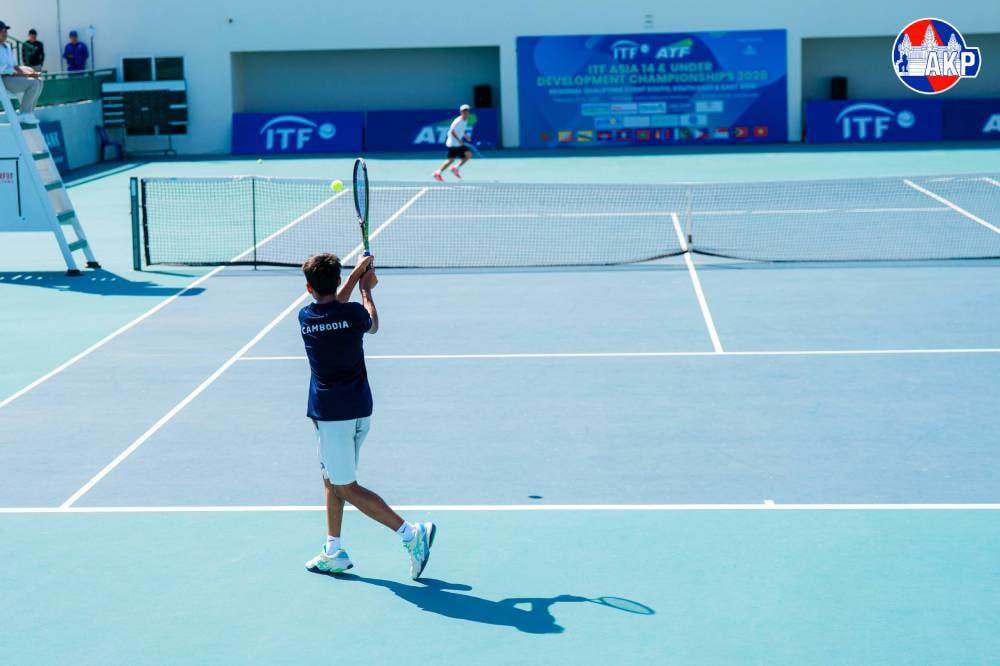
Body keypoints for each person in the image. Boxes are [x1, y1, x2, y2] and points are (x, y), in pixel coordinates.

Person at [299, 253, 436, 579]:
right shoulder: (353, 314)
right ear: (337, 281)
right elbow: (371, 323)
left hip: (332, 416)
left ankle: (411, 534)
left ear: (308, 288)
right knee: (331, 478)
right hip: (360, 409)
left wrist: (357, 278)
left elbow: (331, 306)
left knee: (345, 486)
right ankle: (333, 550)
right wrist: (366, 287)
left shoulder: (306, 317)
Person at [0, 21, 43, 125]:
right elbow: (5, 70)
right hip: (3, 80)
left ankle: (29, 113)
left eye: (6, 31)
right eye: (2, 31)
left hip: (12, 77)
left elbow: (15, 66)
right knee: (34, 83)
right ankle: (24, 113)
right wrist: (26, 74)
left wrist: (30, 72)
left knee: (39, 81)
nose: (5, 33)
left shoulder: (7, 46)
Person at [432, 104, 473, 181]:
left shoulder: (465, 120)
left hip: (458, 144)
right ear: (461, 112)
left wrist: (466, 136)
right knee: (451, 160)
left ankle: (455, 168)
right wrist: (459, 140)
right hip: (453, 144)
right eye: (464, 111)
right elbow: (452, 132)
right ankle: (437, 173)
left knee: (468, 154)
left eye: (467, 110)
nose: (465, 112)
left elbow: (461, 130)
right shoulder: (458, 121)